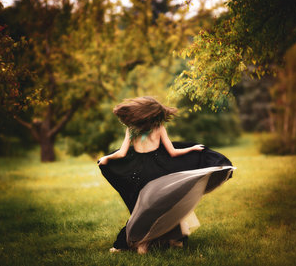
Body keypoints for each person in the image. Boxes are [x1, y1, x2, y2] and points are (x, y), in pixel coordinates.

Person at [98, 96, 235, 254]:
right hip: (159, 169)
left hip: (139, 173)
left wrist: (107, 158)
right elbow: (173, 152)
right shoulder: (159, 127)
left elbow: (122, 154)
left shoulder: (132, 129)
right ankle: (173, 239)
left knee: (141, 208)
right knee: (168, 203)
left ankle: (141, 243)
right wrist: (192, 149)